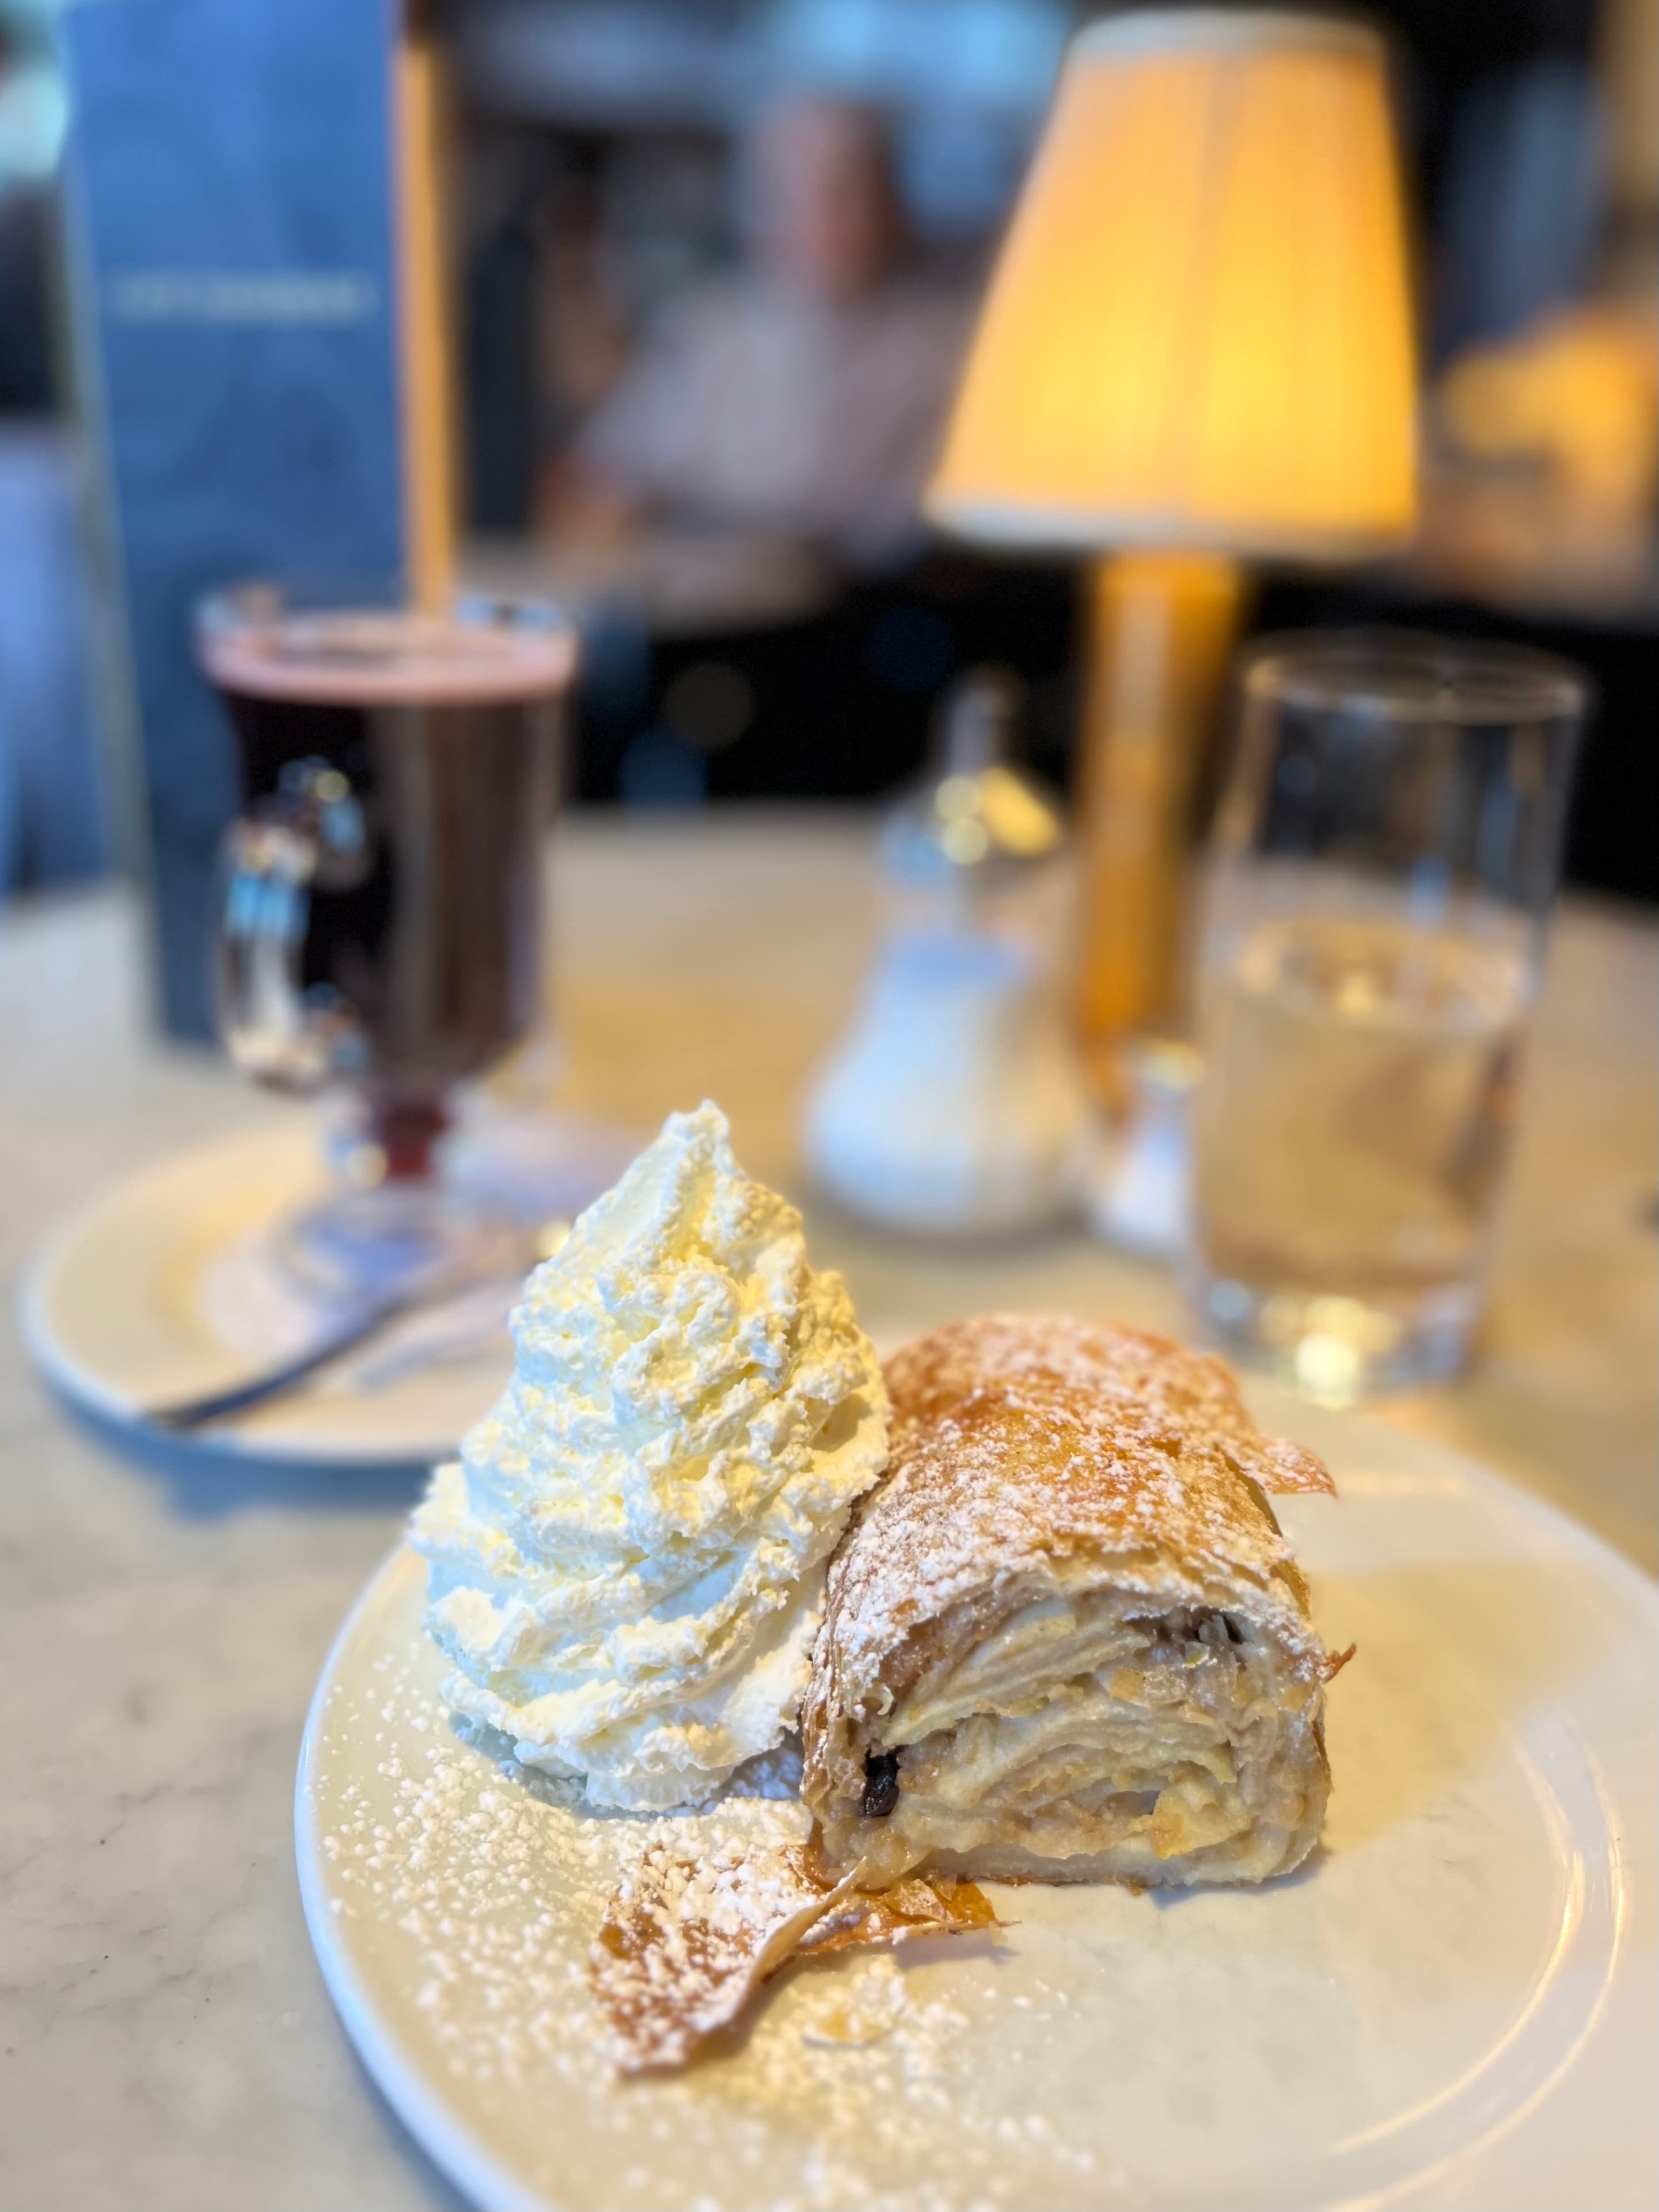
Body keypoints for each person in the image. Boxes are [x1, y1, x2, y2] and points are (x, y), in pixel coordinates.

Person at [565, 96, 971, 567]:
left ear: (890, 202)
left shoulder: (942, 350)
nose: (818, 215)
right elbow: (604, 481)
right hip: (708, 605)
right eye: (791, 191)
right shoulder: (703, 335)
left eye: (844, 189)